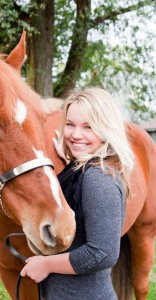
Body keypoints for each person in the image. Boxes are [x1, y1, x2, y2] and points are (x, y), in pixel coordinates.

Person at [20, 87, 134, 299]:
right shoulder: (84, 170)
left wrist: (45, 264)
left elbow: (103, 253)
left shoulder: (98, 178)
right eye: (70, 125)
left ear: (106, 128)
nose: (75, 135)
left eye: (88, 127)